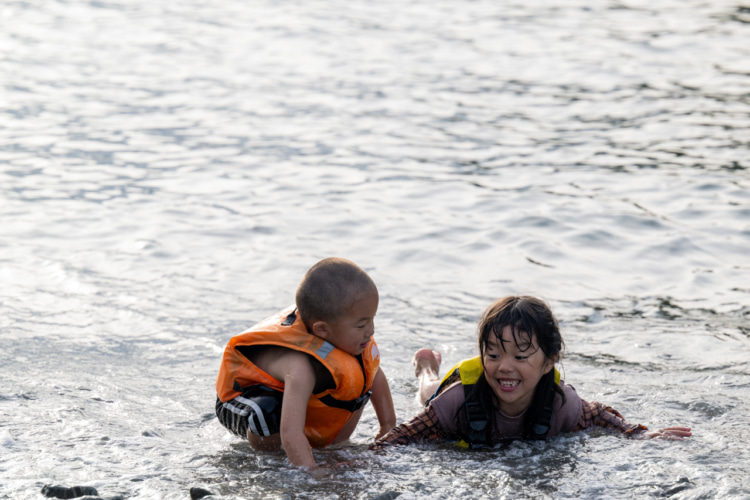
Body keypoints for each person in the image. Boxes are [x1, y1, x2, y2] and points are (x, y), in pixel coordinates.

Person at [372, 295, 691, 449]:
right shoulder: (456, 401)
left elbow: (597, 414)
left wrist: (638, 433)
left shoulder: (559, 403)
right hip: (459, 385)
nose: (505, 366)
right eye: (493, 354)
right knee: (428, 393)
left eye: (521, 356)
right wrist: (359, 460)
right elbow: (399, 438)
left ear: (549, 361)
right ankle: (426, 367)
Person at [216, 257, 396, 468]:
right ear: (321, 329)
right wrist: (312, 474)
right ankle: (270, 462)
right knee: (268, 411)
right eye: (361, 325)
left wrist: (387, 428)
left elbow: (374, 376)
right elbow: (290, 433)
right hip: (241, 399)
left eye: (372, 319)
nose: (371, 330)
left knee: (357, 382)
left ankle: (331, 449)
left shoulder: (353, 344)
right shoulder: (300, 367)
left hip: (289, 394)